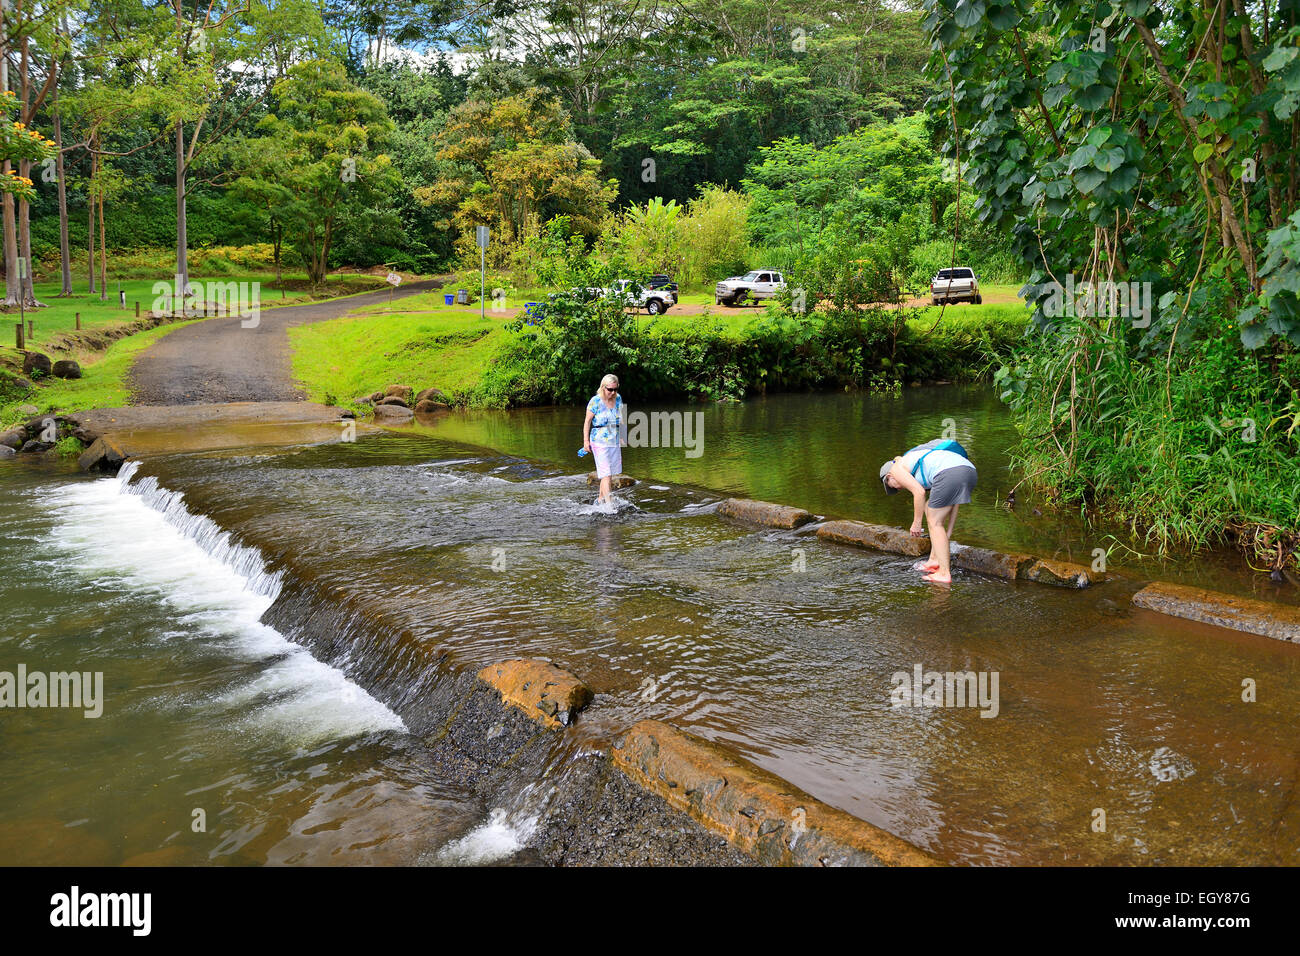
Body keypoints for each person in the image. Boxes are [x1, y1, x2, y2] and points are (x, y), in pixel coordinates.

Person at [879, 440, 977, 584]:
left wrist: (916, 523)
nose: (897, 490)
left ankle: (944, 573)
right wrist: (948, 533)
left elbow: (918, 492)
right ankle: (933, 560)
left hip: (950, 473)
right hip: (968, 471)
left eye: (892, 487)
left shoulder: (896, 469)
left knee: (934, 521)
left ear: (889, 476)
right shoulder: (922, 468)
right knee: (930, 509)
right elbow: (953, 503)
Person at [583, 373, 624, 504]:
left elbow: (621, 418)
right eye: (610, 389)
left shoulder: (618, 399)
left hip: (614, 439)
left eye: (615, 389)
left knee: (609, 474)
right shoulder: (595, 401)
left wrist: (623, 436)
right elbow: (587, 422)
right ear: (603, 387)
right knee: (605, 474)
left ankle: (600, 500)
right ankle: (609, 505)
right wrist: (586, 441)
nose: (613, 392)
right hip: (599, 441)